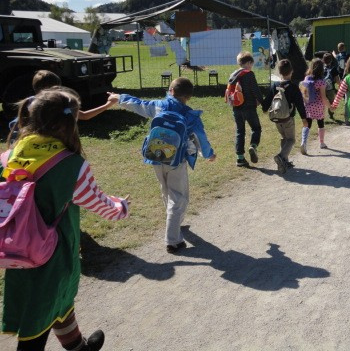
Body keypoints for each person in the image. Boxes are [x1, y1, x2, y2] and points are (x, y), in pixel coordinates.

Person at [2, 88, 130, 351]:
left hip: (15, 249)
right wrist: (122, 206)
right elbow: (102, 206)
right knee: (40, 315)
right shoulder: (71, 165)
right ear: (70, 122)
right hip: (52, 254)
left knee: (57, 302)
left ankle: (78, 347)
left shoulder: (9, 156)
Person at [113, 77, 215, 253]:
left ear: (171, 91)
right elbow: (200, 138)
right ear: (189, 96)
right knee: (179, 197)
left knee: (166, 191)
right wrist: (209, 154)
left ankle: (174, 224)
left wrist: (119, 97)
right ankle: (173, 240)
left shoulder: (159, 106)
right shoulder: (190, 115)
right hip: (176, 160)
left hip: (156, 156)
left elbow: (139, 104)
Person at [9, 71, 118, 142]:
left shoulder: (28, 102)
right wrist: (108, 104)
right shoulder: (59, 104)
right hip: (51, 148)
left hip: (28, 145)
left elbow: (15, 126)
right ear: (55, 87)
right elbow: (85, 116)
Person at [261, 59, 307, 174]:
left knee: (284, 138)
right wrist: (304, 119)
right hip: (288, 118)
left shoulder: (275, 85)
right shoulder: (293, 87)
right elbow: (300, 104)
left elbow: (268, 100)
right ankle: (281, 156)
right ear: (291, 71)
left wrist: (264, 108)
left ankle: (284, 161)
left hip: (277, 119)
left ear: (280, 72)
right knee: (291, 139)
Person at [228, 52, 263, 167]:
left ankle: (240, 158)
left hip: (236, 108)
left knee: (240, 131)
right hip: (249, 107)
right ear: (248, 63)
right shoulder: (249, 74)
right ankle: (253, 146)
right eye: (251, 64)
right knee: (256, 128)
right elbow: (255, 90)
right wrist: (263, 103)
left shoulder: (233, 75)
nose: (251, 66)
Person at [299, 58, 331, 154]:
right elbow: (323, 97)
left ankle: (303, 142)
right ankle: (322, 143)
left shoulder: (306, 78)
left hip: (308, 105)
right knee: (321, 123)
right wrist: (330, 106)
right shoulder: (321, 82)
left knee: (307, 124)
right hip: (319, 106)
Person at [333, 43, 350, 125]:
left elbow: (335, 57)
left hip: (340, 75)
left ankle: (343, 96)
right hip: (347, 75)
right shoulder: (348, 55)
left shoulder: (338, 56)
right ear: (344, 48)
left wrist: (333, 54)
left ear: (338, 49)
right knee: (348, 92)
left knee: (341, 89)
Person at [322, 53, 340, 120]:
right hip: (330, 89)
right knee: (331, 102)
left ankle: (321, 116)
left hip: (322, 88)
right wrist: (340, 85)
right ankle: (331, 115)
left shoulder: (321, 68)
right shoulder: (333, 68)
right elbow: (337, 80)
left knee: (322, 102)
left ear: (323, 60)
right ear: (331, 60)